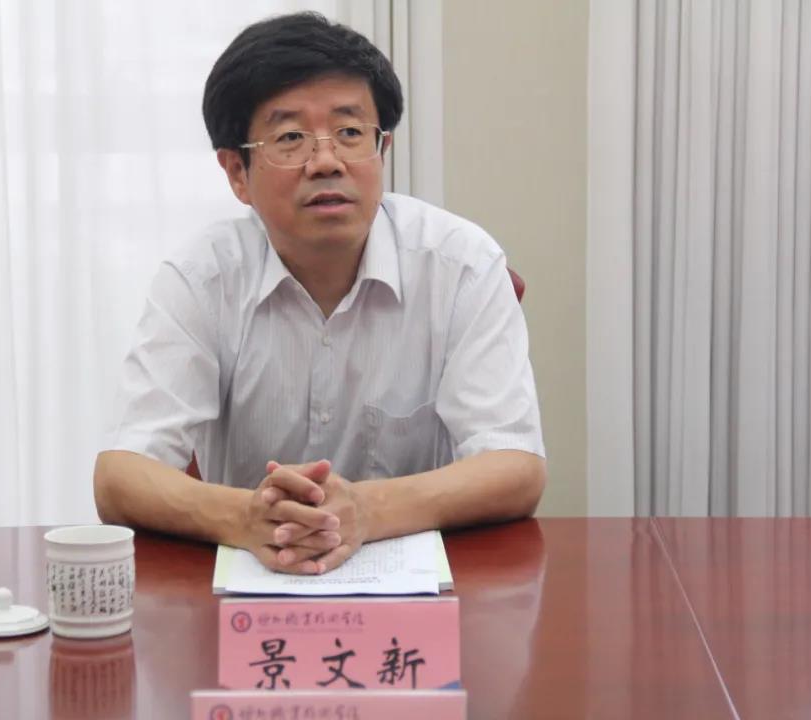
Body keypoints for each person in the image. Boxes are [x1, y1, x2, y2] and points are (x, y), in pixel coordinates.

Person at [94, 12, 545, 575]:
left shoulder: (462, 266)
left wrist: (366, 510)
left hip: (419, 593)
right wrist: (248, 517)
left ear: (382, 149)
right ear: (237, 172)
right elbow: (121, 477)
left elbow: (515, 466)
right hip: (250, 589)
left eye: (350, 133)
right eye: (290, 138)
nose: (327, 162)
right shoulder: (201, 278)